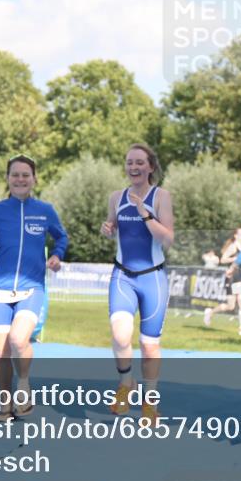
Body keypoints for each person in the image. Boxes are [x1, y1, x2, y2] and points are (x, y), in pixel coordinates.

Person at [0, 155, 68, 421]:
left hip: (32, 287)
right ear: (8, 179)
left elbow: (61, 236)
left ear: (34, 179)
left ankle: (24, 383)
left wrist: (57, 255)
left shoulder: (45, 210)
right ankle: (5, 405)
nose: (20, 179)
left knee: (19, 339)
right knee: (0, 353)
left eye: (25, 175)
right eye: (15, 175)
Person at [99, 144, 174, 425]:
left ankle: (150, 403)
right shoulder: (116, 197)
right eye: (129, 162)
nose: (134, 167)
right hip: (123, 276)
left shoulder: (161, 197)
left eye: (140, 162)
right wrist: (107, 229)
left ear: (150, 167)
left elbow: (167, 238)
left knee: (149, 345)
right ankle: (125, 384)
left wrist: (144, 211)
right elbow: (111, 227)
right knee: (120, 336)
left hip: (153, 278)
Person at [203, 228, 241, 337]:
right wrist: (236, 258)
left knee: (236, 305)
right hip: (232, 277)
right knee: (237, 305)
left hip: (238, 276)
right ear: (236, 236)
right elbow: (223, 260)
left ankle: (211, 312)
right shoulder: (233, 247)